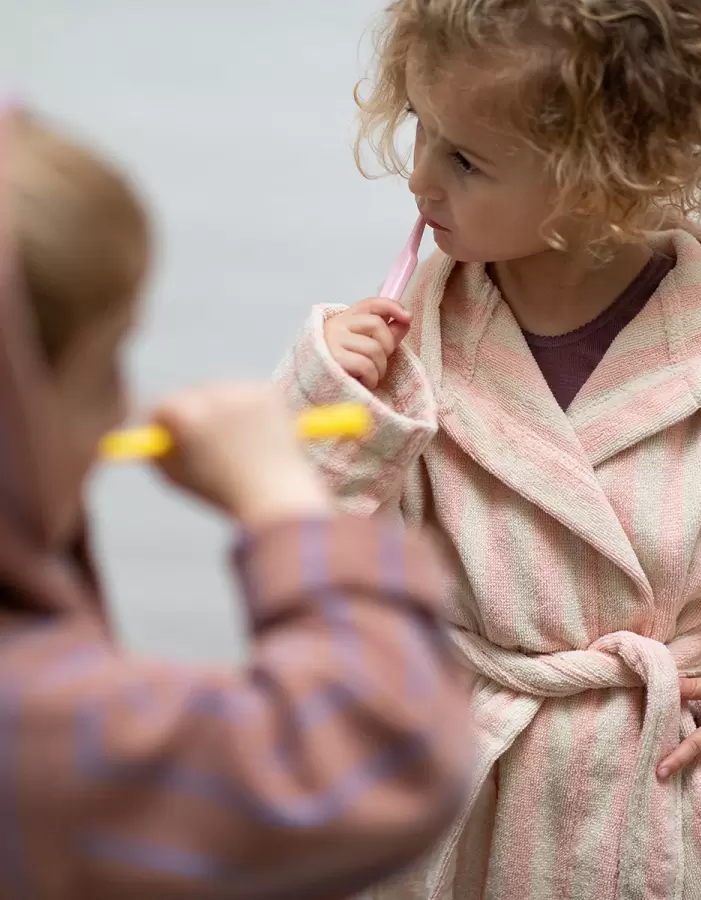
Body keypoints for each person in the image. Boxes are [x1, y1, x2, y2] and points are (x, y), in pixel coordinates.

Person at [274, 2, 701, 898]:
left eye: (464, 159)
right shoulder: (400, 347)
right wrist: (327, 399)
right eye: (420, 129)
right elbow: (287, 534)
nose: (418, 179)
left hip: (640, 795)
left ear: (607, 174)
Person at [0, 104, 470, 899]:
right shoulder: (35, 725)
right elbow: (382, 754)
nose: (123, 410)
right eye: (104, 368)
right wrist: (278, 497)